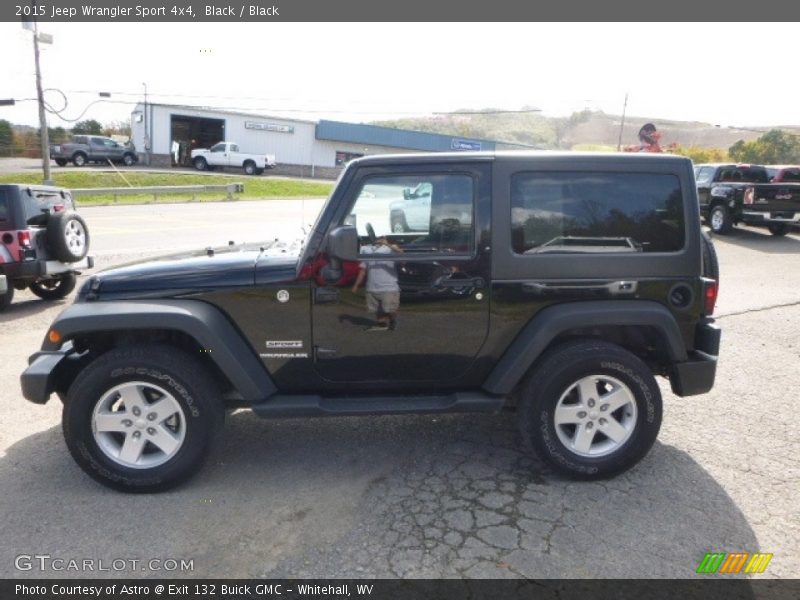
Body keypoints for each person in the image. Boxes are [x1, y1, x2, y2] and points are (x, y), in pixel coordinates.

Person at [351, 237, 402, 331]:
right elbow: (363, 270)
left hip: (389, 287)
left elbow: (402, 255)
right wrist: (356, 285)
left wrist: (387, 244)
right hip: (372, 286)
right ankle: (381, 324)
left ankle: (392, 320)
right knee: (376, 309)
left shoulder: (391, 249)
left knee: (389, 309)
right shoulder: (368, 251)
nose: (379, 239)